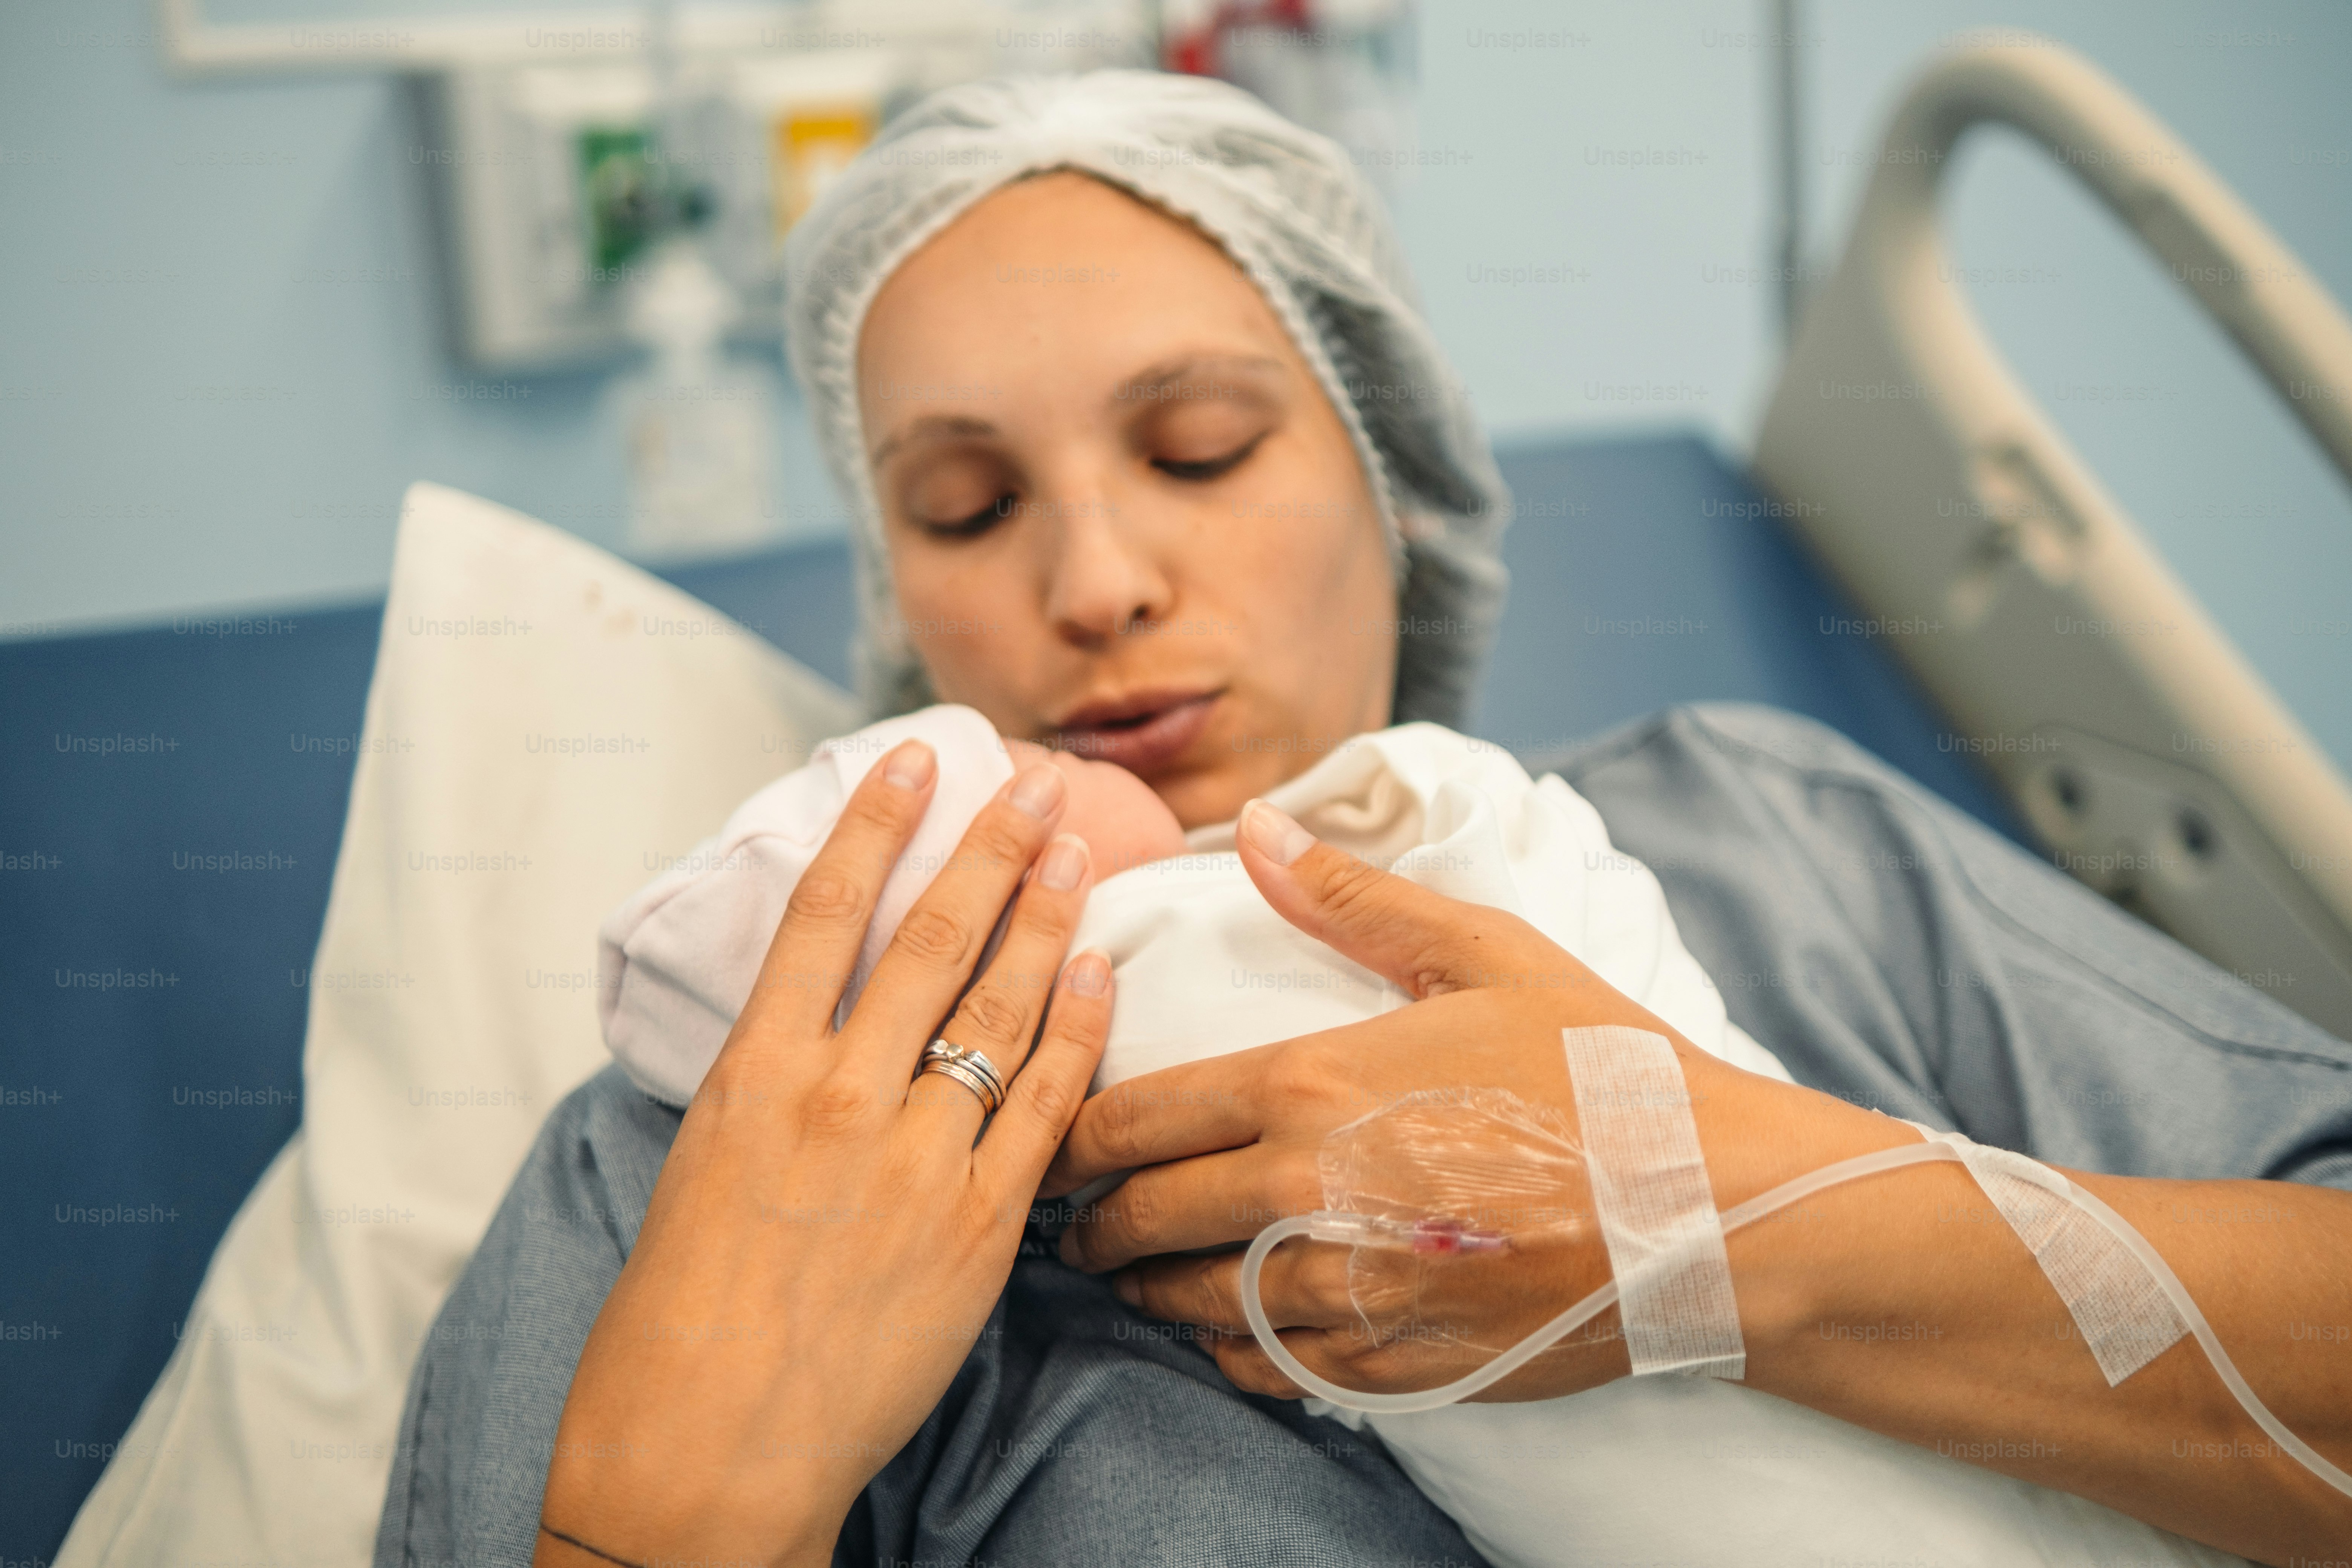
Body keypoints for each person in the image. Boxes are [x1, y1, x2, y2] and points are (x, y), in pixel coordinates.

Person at [372, 71, 2352, 1568]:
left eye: (1201, 447)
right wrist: (686, 1488)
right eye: (966, 507)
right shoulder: (728, 1146)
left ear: (1396, 475)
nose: (1095, 579)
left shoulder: (1771, 841)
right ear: (904, 612)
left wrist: (1717, 1222)